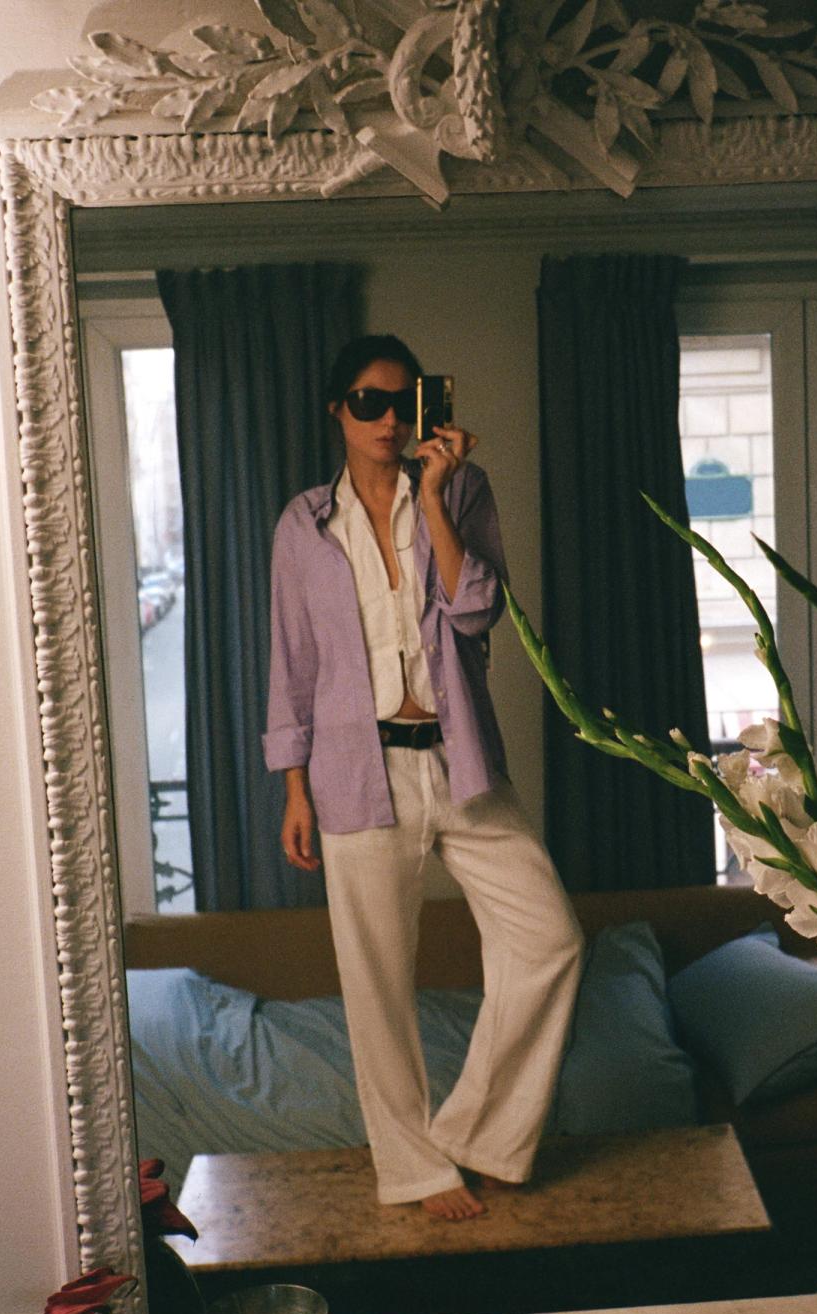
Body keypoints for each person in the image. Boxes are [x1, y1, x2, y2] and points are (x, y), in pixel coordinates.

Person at [262, 334, 583, 1222]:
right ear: (339, 408)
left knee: (550, 937)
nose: (389, 420)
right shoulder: (303, 524)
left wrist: (435, 497)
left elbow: (478, 610)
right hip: (353, 772)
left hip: (461, 758)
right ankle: (412, 1170)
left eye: (403, 403)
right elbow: (292, 659)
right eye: (369, 402)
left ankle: (479, 1136)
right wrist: (293, 785)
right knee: (375, 982)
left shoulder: (462, 489)